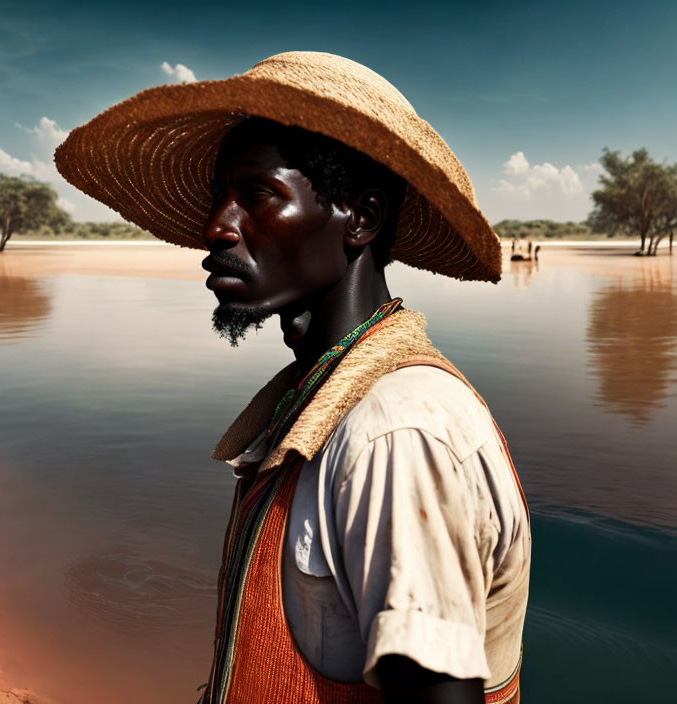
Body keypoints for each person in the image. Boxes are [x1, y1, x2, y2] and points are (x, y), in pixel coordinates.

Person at [56, 51, 530, 704]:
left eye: (257, 194)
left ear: (360, 218)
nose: (215, 226)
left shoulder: (398, 433)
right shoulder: (319, 400)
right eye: (220, 196)